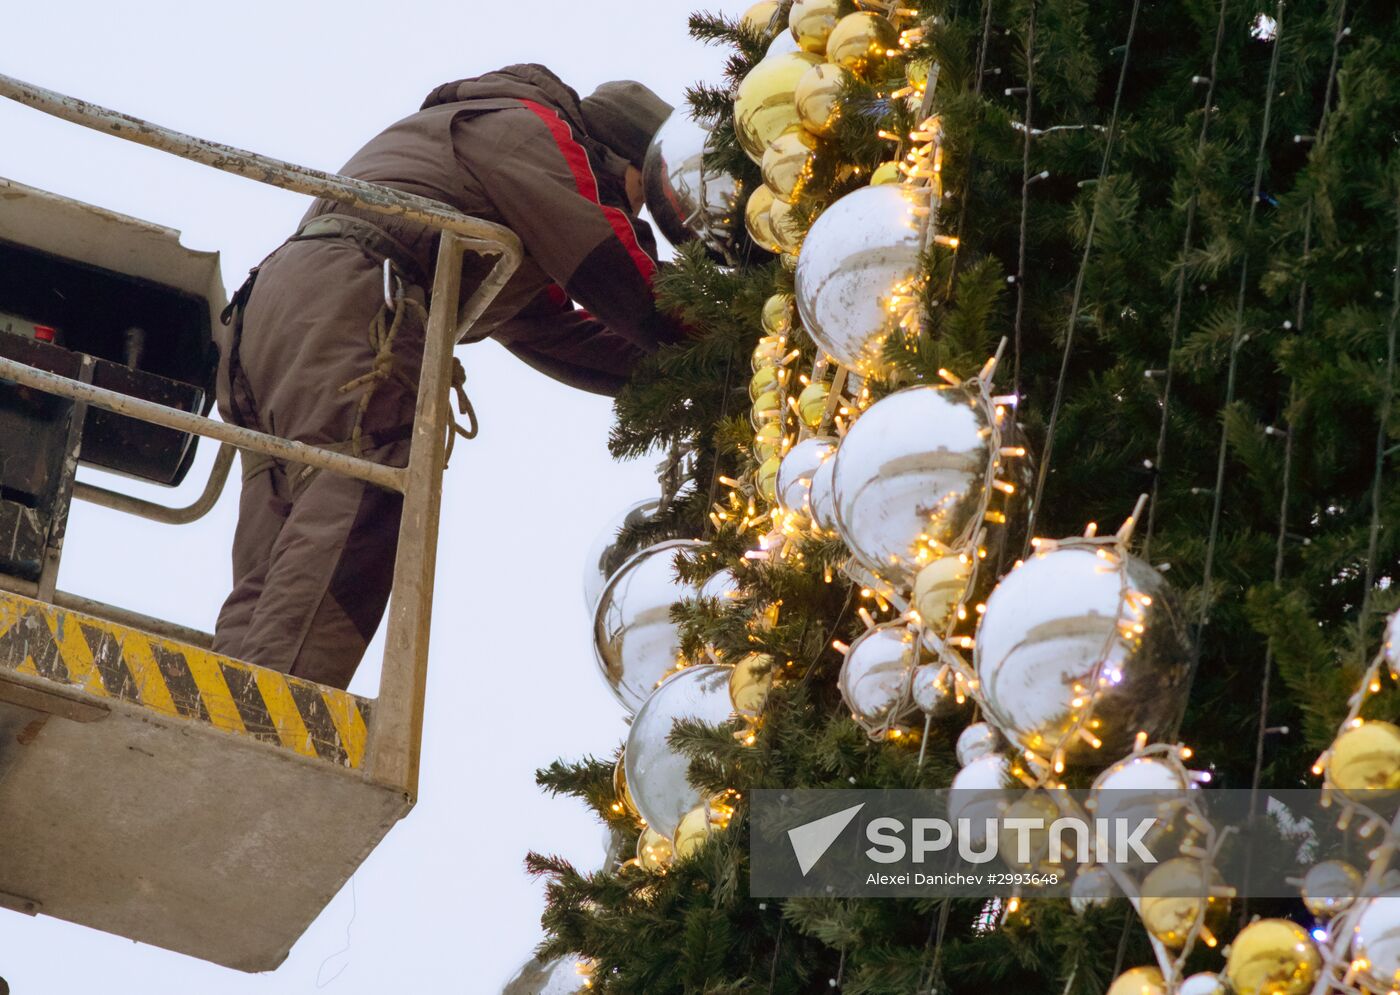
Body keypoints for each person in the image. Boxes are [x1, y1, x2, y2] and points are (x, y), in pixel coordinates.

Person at [212, 64, 680, 689]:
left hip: (278, 312)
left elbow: (550, 329)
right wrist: (728, 333)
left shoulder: (481, 152)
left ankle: (227, 702)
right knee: (356, 505)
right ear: (617, 156)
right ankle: (271, 722)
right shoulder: (531, 131)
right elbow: (613, 265)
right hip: (353, 301)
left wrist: (675, 369)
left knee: (276, 552)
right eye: (641, 192)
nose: (637, 210)